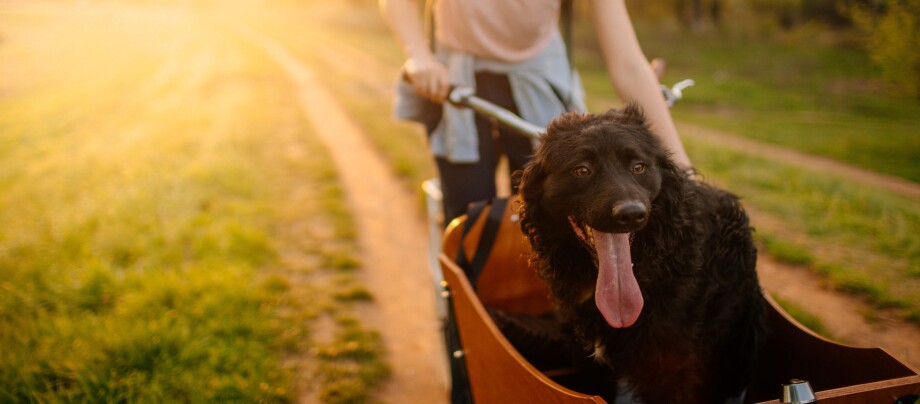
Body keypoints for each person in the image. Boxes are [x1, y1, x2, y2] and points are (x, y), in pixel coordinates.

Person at [381, 0, 693, 223]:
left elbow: (628, 64)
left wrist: (683, 171)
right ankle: (462, 305)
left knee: (557, 212)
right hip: (458, 79)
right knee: (471, 216)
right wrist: (419, 55)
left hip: (540, 79)